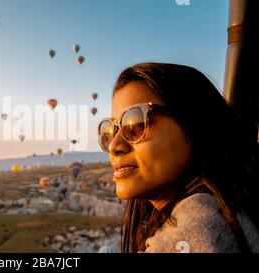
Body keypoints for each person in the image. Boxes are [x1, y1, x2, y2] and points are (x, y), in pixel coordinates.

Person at [98, 62, 259, 253]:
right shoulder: (227, 204)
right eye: (111, 129)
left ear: (195, 126)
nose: (114, 146)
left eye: (136, 124)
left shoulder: (200, 227)